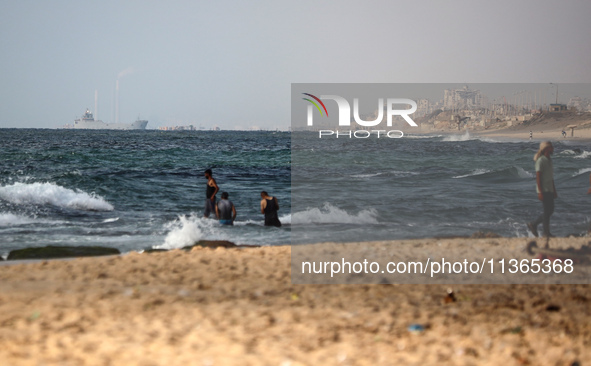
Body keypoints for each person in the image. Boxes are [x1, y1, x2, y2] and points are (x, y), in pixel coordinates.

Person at [527, 141, 557, 238]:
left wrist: (554, 190)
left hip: (550, 189)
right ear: (547, 149)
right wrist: (540, 192)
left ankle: (535, 225)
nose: (553, 149)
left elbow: (551, 177)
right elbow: (538, 177)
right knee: (547, 211)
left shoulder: (549, 160)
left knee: (550, 210)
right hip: (543, 189)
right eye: (551, 147)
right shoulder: (541, 160)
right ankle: (545, 232)